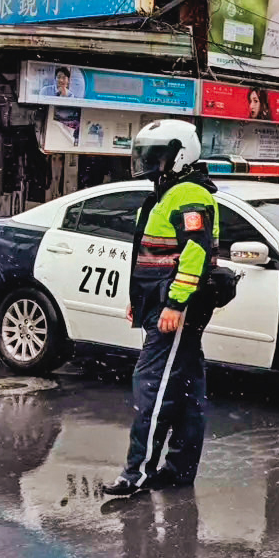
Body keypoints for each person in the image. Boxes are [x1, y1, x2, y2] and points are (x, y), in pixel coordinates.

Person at [103, 120, 220, 499]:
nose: (148, 160)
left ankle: (136, 473)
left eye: (157, 153)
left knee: (151, 388)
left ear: (179, 154)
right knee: (186, 390)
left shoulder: (187, 194)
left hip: (177, 310)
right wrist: (141, 302)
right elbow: (154, 255)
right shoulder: (165, 191)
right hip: (164, 306)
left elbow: (195, 253)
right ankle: (178, 469)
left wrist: (174, 304)